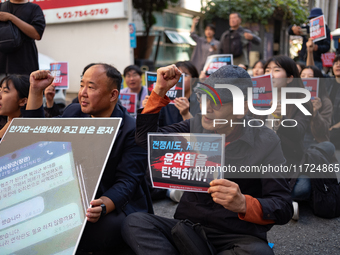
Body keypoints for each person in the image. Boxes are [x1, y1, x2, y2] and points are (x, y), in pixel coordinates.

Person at [122, 64, 293, 255]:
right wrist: (159, 91)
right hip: (188, 228)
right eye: (203, 98)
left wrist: (244, 203)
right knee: (135, 222)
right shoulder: (194, 126)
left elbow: (283, 205)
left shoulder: (266, 141)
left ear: (241, 108)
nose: (206, 109)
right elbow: (146, 140)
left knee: (259, 253)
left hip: (236, 235)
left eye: (217, 102)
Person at [22, 64, 153, 253]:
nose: (82, 93)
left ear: (113, 95)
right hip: (73, 193)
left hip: (112, 201)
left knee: (107, 229)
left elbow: (127, 181)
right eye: (81, 85)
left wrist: (103, 205)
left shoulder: (132, 130)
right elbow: (37, 135)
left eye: (91, 87)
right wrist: (35, 91)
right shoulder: (73, 113)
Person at [0, 0, 45, 77]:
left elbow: (37, 34)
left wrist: (11, 17)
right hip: (2, 66)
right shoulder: (1, 7)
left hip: (24, 68)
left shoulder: (34, 8)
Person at [0, 74, 29, 140]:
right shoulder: (3, 122)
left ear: (22, 101)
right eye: (0, 90)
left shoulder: (31, 127)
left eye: (5, 91)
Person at [326, 55, 340, 149]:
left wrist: (333, 128)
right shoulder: (328, 82)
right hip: (326, 128)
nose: (338, 66)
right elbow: (311, 72)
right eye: (336, 63)